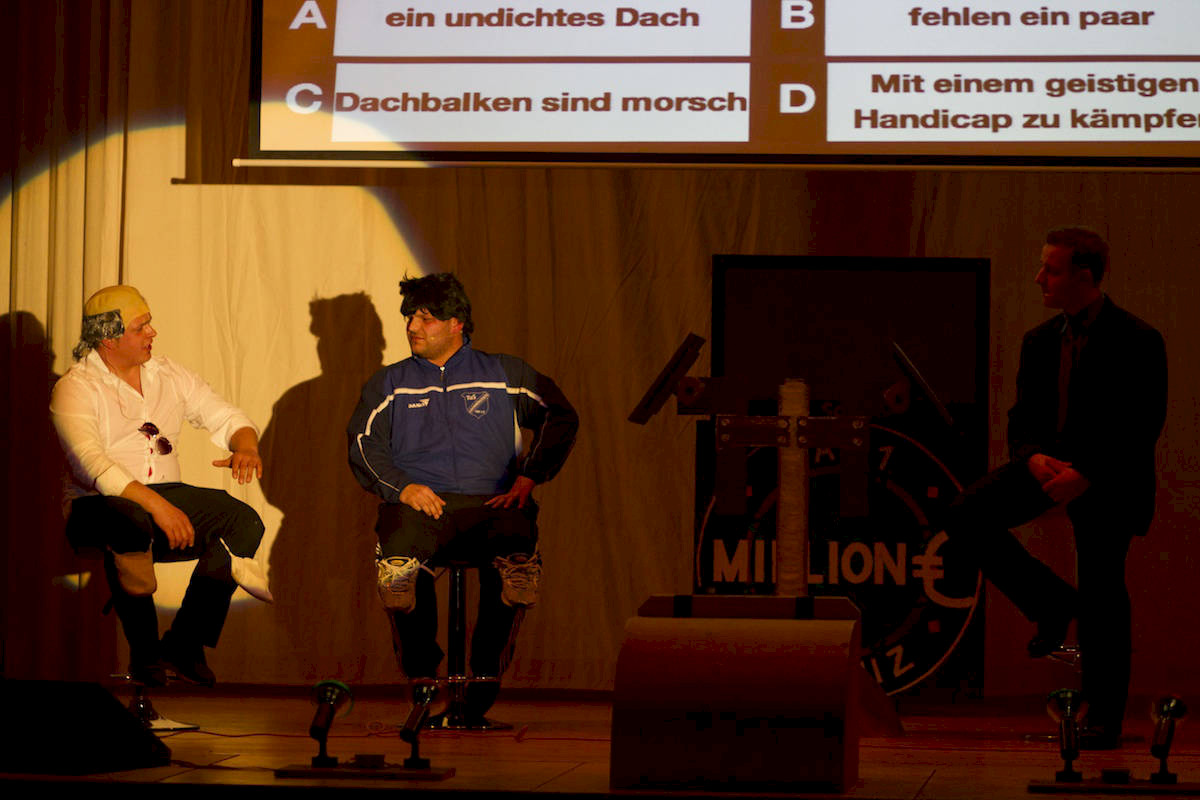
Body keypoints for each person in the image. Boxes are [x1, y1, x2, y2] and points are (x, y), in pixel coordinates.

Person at [943, 227, 1167, 749]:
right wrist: (1032, 457)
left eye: (1051, 268)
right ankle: (1051, 602)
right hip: (1048, 467)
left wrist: (1086, 474)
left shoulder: (1138, 338)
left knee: (1103, 589)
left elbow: (1142, 422)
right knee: (964, 514)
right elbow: (1023, 419)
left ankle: (1103, 720)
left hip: (1108, 476)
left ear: (1084, 276)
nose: (1039, 277)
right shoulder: (1040, 340)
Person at [347, 273, 577, 719]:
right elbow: (362, 442)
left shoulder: (505, 373)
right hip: (422, 506)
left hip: (492, 503)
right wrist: (402, 487)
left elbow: (561, 415)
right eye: (409, 317)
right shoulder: (390, 383)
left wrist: (530, 476)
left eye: (425, 318)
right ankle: (424, 678)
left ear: (457, 323)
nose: (412, 327)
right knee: (399, 563)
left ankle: (484, 679)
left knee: (516, 550)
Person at [51, 285, 271, 687]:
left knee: (242, 521)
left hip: (159, 499)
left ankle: (184, 644)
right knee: (130, 518)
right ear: (109, 338)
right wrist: (157, 506)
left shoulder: (167, 375)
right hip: (95, 506)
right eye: (141, 327)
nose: (152, 332)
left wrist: (246, 446)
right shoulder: (76, 387)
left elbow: (224, 415)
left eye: (149, 323)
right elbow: (92, 465)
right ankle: (146, 656)